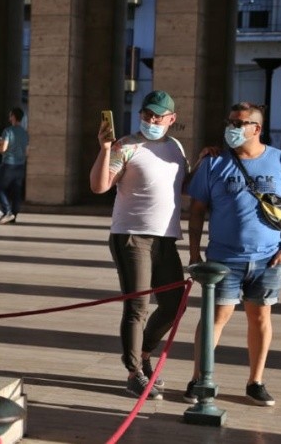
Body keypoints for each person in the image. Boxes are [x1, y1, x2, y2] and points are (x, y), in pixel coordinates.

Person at [184, 102, 281, 407]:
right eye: (230, 122)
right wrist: (195, 254)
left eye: (239, 123)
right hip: (223, 259)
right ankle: (199, 378)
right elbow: (196, 210)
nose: (232, 128)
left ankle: (256, 381)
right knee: (215, 317)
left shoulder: (280, 159)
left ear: (256, 128)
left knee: (260, 316)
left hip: (268, 258)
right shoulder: (214, 163)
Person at [89, 90, 189, 400]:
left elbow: (182, 184)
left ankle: (144, 353)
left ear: (171, 119)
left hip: (166, 238)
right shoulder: (126, 146)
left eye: (159, 116)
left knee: (174, 304)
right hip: (132, 236)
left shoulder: (175, 147)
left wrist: (204, 161)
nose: (152, 121)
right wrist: (105, 148)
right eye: (147, 114)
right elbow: (99, 186)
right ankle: (134, 372)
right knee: (138, 307)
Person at [0, 107, 29, 224]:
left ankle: (7, 211)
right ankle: (14, 215)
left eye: (10, 115)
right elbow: (27, 151)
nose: (9, 118)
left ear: (13, 117)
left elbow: (4, 148)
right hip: (20, 165)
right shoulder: (25, 133)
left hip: (8, 164)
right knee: (16, 191)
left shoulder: (8, 131)